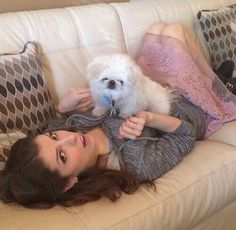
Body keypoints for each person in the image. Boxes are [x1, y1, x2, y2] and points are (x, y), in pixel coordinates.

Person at [0, 22, 233, 209]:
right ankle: (218, 86)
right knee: (174, 31)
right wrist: (149, 118)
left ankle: (218, 79)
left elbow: (60, 119)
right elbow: (186, 135)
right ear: (69, 183)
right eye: (63, 155)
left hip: (146, 86)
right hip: (183, 105)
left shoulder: (69, 127)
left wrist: (64, 105)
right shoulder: (133, 164)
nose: (69, 138)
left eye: (52, 136)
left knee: (156, 29)